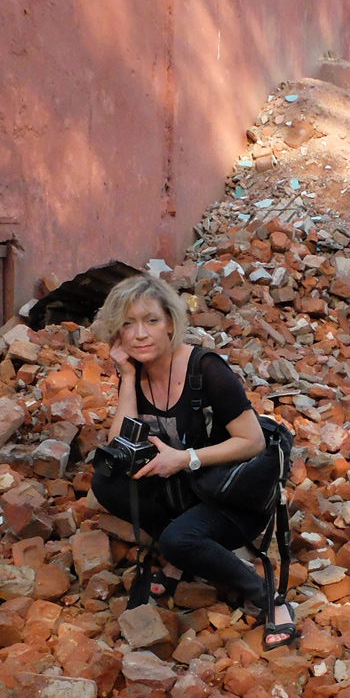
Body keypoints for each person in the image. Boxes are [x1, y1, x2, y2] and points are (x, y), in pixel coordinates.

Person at [91, 273, 296, 648]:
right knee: (106, 481)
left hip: (232, 495)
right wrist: (125, 377)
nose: (139, 334)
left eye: (150, 321)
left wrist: (186, 459)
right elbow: (120, 446)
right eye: (127, 324)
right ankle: (184, 552)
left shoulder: (206, 370)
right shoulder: (136, 370)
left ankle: (269, 597)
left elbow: (251, 441)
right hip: (190, 490)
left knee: (177, 539)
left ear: (170, 322)